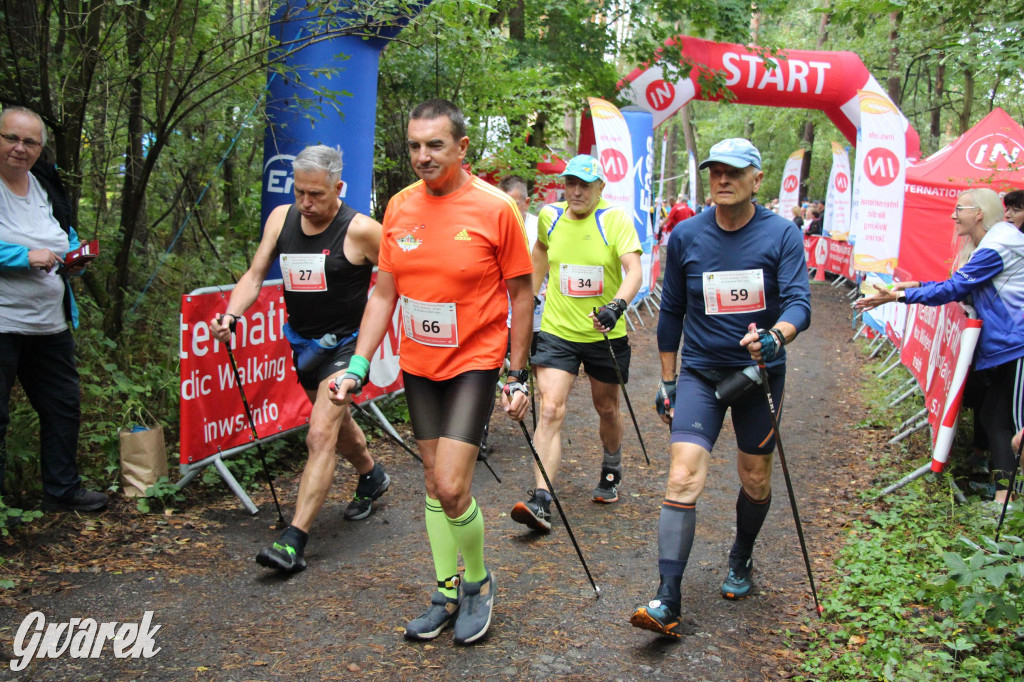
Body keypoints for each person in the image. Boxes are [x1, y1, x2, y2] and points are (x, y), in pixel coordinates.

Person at [331, 99, 532, 645]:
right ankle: (446, 590)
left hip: (474, 360)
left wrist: (518, 373)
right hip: (420, 362)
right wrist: (357, 364)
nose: (422, 155)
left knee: (450, 484)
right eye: (415, 145)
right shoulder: (398, 208)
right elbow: (384, 293)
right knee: (431, 481)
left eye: (434, 145)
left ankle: (478, 583)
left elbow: (520, 291)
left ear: (462, 147)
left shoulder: (496, 208)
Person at [630, 138, 811, 638]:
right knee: (683, 474)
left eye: (733, 172)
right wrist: (667, 379)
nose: (722, 180)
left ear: (757, 178)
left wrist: (776, 336)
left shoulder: (782, 234)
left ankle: (741, 555)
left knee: (755, 478)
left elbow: (800, 304)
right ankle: (667, 597)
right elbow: (670, 314)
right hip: (702, 374)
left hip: (759, 375)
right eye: (715, 172)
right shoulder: (686, 235)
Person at [210, 145, 388, 574]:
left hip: (347, 345)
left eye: (316, 195)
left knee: (320, 434)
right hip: (305, 345)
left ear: (338, 188)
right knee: (339, 426)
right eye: (299, 193)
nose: (306, 204)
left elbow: (399, 283)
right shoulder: (281, 219)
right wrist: (232, 315)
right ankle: (371, 474)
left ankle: (294, 542)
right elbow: (255, 275)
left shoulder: (362, 230)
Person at [857, 188, 1024, 510]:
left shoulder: (998, 245)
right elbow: (961, 286)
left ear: (978, 213)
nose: (952, 215)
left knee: (1011, 427)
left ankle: (1009, 504)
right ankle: (1005, 497)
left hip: (1018, 347)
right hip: (1010, 347)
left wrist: (898, 296)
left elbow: (955, 289)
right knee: (993, 418)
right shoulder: (995, 242)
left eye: (958, 209)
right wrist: (916, 286)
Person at [510, 154, 642, 532]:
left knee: (607, 408)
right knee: (550, 408)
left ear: (600, 187)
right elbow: (539, 252)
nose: (577, 191)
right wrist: (531, 298)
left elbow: (634, 269)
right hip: (558, 331)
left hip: (605, 332)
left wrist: (617, 306)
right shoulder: (551, 217)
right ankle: (541, 499)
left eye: (585, 184)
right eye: (571, 183)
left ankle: (612, 464)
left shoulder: (614, 219)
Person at [0, 106, 108, 512]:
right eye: (11, 138)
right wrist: (22, 257)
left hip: (49, 323)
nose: (19, 149)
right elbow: (26, 252)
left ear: (40, 149)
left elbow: (63, 232)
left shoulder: (45, 183)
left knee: (62, 407)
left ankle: (63, 491)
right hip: (3, 322)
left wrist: (75, 258)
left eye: (30, 142)